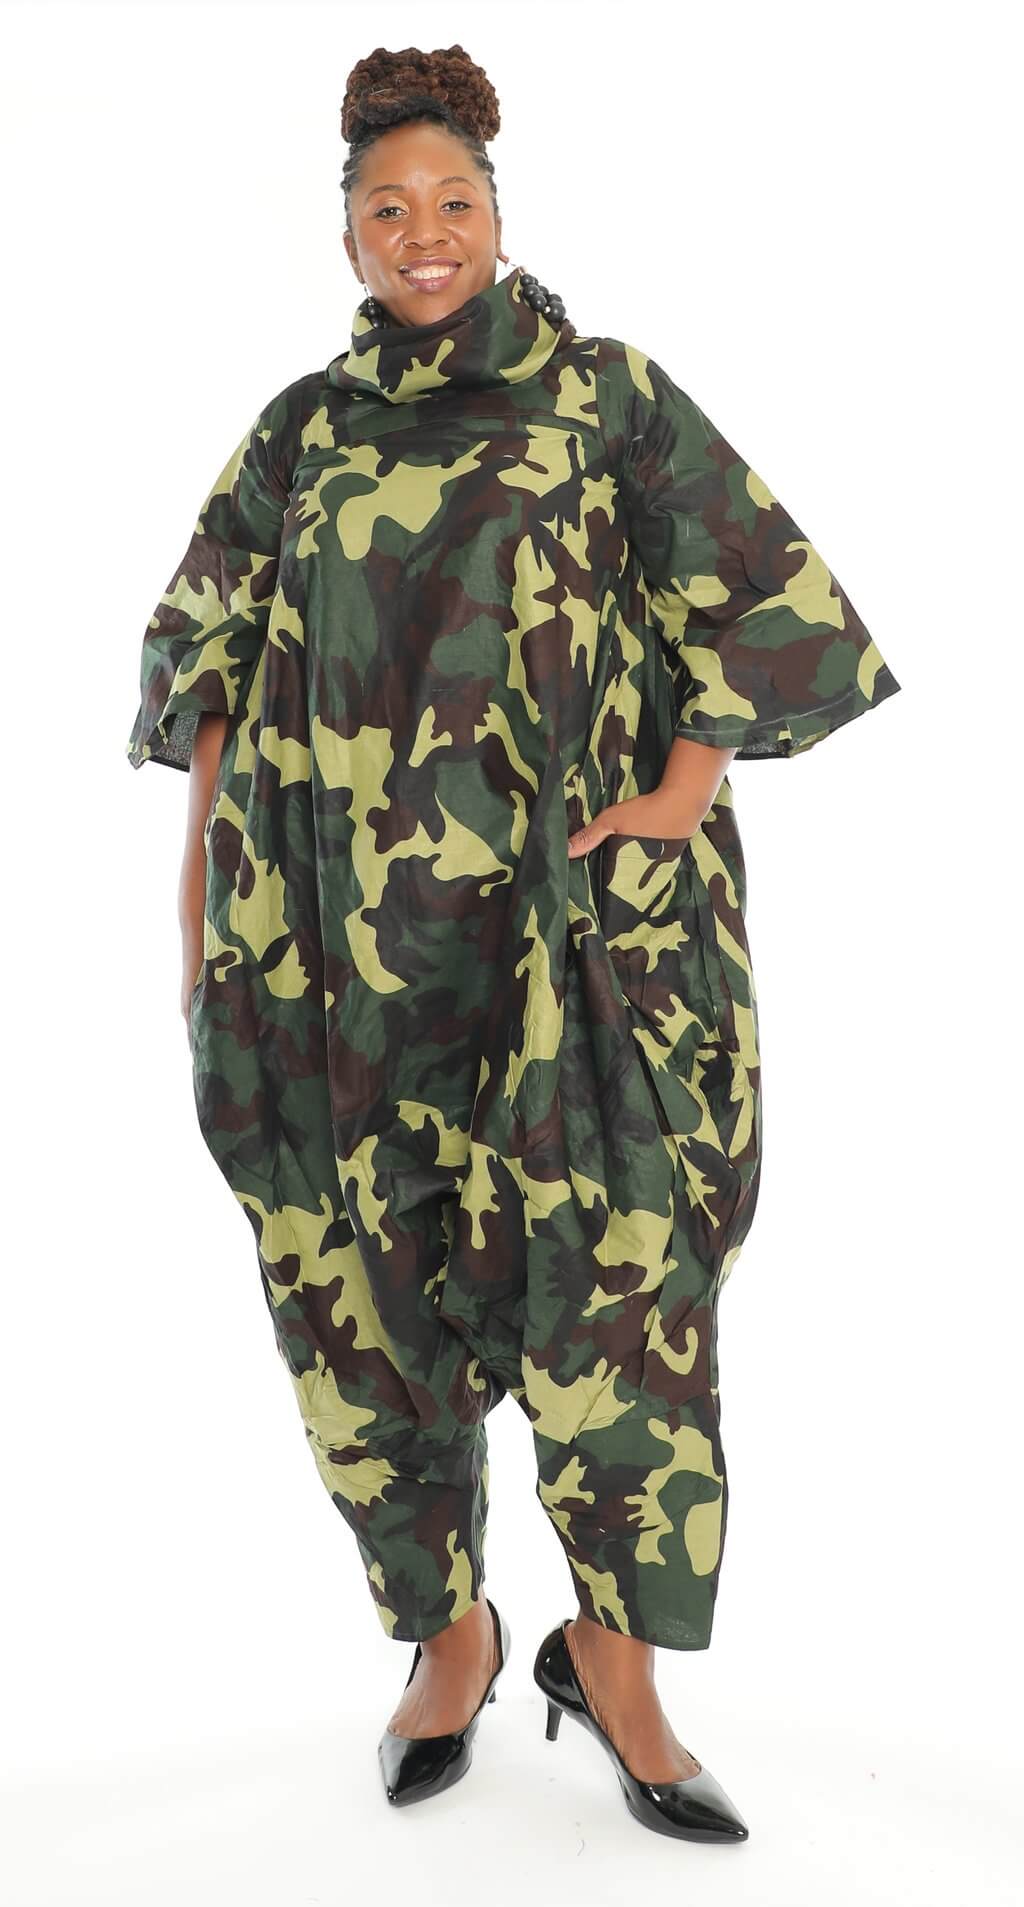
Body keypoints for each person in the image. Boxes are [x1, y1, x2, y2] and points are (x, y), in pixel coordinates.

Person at [124, 42, 901, 1840]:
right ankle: (452, 1636)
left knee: (624, 1292)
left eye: (453, 202)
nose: (424, 234)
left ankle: (615, 1670)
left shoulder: (606, 398)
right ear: (346, 234)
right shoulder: (302, 437)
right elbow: (210, 672)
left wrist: (684, 794)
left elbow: (762, 597)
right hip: (338, 959)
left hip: (577, 951)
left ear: (498, 212)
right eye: (388, 209)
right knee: (362, 1297)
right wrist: (205, 906)